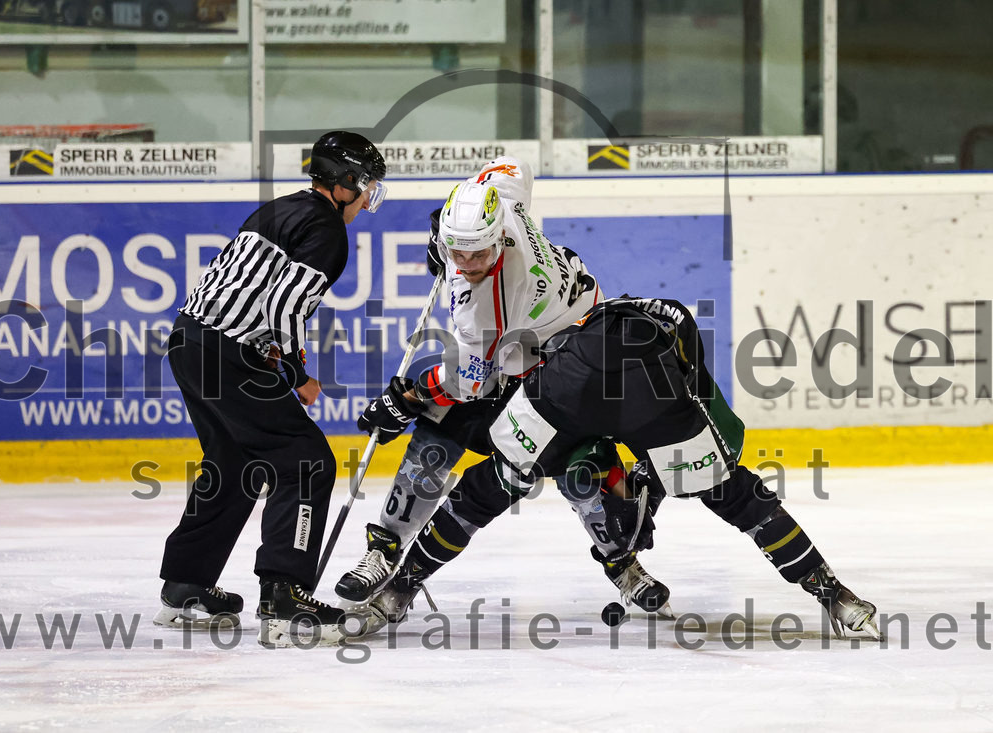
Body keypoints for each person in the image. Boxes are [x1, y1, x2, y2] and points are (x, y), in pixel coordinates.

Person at [360, 295, 885, 642]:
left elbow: (484, 366)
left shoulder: (565, 312)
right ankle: (832, 593)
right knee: (728, 491)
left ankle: (401, 585)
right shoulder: (580, 321)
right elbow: (719, 450)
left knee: (498, 482)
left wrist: (649, 489)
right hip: (613, 388)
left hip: (580, 388)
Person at [336, 158, 671, 616]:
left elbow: (469, 382)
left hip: (560, 367)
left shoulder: (487, 307)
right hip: (530, 350)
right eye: (458, 252)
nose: (468, 264)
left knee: (581, 464)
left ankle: (622, 562)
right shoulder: (502, 198)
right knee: (437, 435)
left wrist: (406, 398)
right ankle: (386, 548)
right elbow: (514, 167)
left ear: (499, 238)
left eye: (478, 253)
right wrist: (449, 222)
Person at [153, 130, 387, 647]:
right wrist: (297, 373)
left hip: (190, 341)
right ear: (344, 181)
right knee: (306, 460)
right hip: (230, 349)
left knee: (234, 464)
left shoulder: (282, 208)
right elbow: (285, 304)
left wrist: (272, 355)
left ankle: (186, 586)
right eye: (366, 184)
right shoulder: (327, 229)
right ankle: (285, 597)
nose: (369, 196)